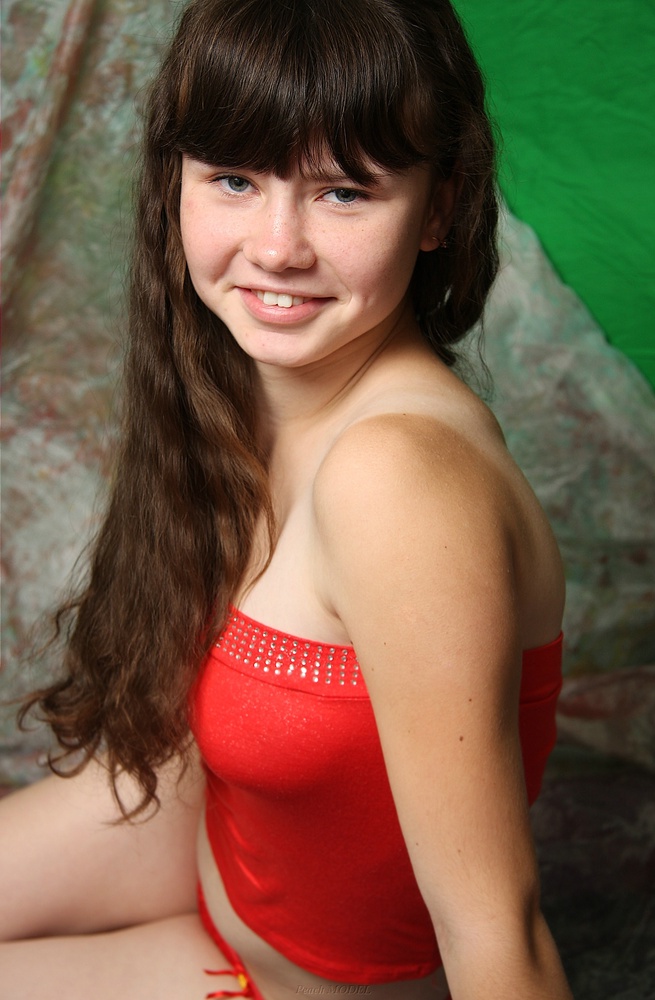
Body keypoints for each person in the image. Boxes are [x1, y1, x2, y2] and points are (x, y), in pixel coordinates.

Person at [0, 1, 573, 997]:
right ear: (175, 181)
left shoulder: (397, 482)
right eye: (233, 178)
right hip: (207, 836)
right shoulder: (246, 384)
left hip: (281, 979)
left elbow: (497, 931)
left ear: (438, 209)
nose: (276, 248)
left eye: (343, 193)